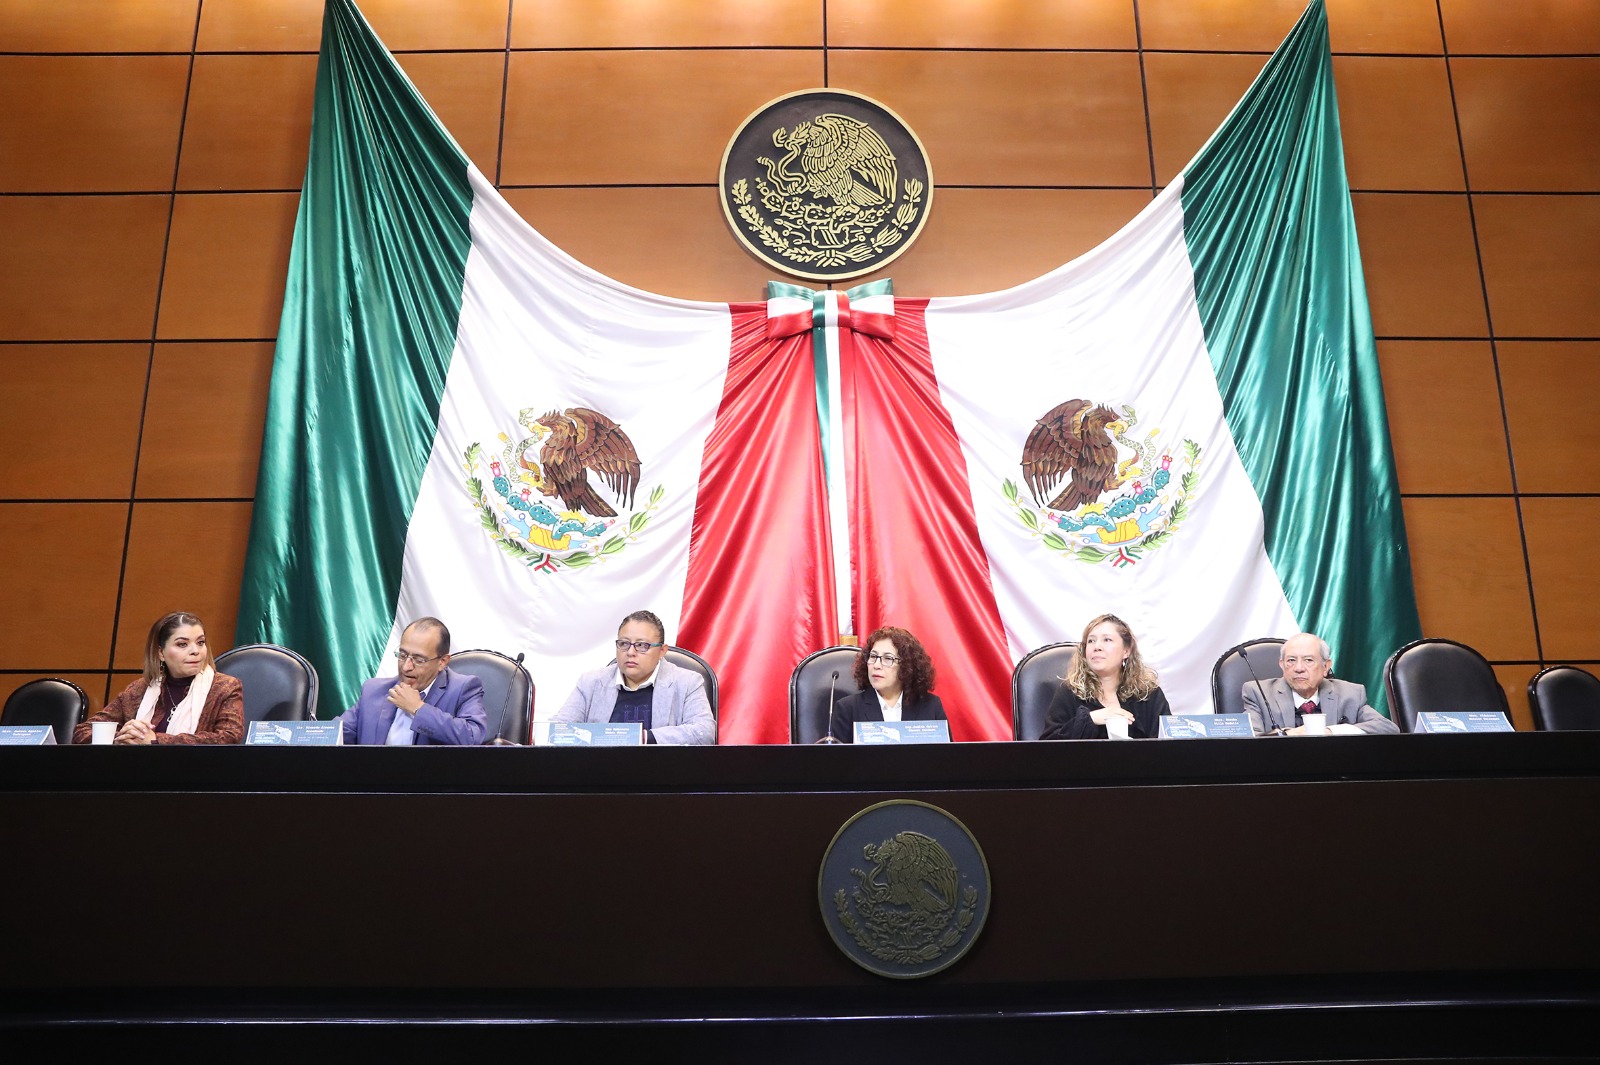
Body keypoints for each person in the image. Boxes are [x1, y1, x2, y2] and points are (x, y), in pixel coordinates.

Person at [73, 612, 244, 745]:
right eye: (182, 644)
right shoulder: (139, 690)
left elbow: (229, 738)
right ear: (161, 653)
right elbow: (83, 732)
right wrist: (123, 739)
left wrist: (156, 741)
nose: (195, 651)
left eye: (200, 642)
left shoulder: (225, 687)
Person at [552, 610, 715, 745]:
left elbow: (704, 733)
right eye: (624, 644)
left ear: (662, 651)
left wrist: (641, 738)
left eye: (641, 645)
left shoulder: (688, 682)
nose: (630, 652)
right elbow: (557, 731)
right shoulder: (591, 683)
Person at [339, 617, 486, 745]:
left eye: (419, 660)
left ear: (442, 662)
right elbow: (336, 735)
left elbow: (472, 738)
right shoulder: (373, 690)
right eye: (402, 655)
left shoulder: (463, 689)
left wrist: (418, 708)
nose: (406, 667)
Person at [1040, 614, 1170, 740]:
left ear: (1126, 651)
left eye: (1107, 640)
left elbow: (1168, 747)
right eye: (1091, 641)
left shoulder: (1149, 694)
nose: (1097, 647)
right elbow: (1047, 746)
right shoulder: (1069, 692)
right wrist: (1089, 719)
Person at [1243, 632, 1400, 736]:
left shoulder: (1350, 693)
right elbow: (1246, 738)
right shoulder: (1258, 693)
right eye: (1291, 660)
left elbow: (1387, 728)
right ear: (1282, 665)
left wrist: (1330, 731)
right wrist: (1288, 734)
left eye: (1308, 660)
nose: (1299, 668)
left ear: (1326, 666)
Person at [829, 626, 947, 743]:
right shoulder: (848, 709)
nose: (876, 665)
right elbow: (838, 755)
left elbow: (947, 754)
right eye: (873, 656)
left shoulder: (931, 706)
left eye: (888, 658)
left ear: (907, 666)